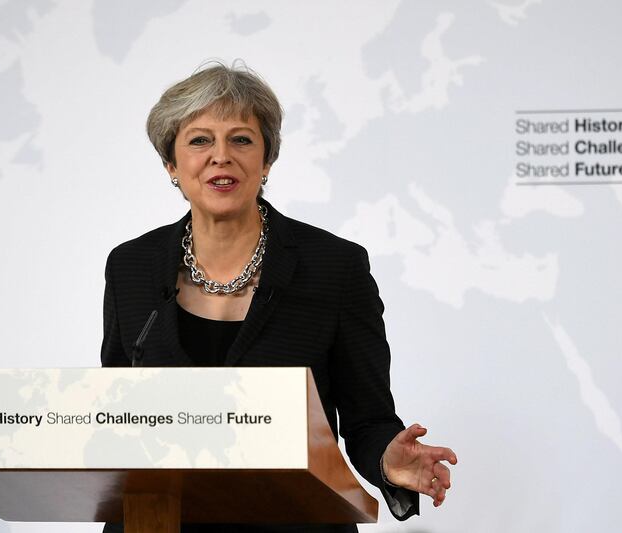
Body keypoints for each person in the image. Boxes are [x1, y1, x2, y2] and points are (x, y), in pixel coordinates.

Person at [101, 62, 457, 532]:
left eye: (242, 139)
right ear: (171, 163)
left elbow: (368, 417)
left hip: (296, 521)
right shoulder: (130, 266)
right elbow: (114, 410)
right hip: (158, 521)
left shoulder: (335, 267)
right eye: (200, 139)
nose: (221, 156)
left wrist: (388, 458)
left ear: (267, 161)